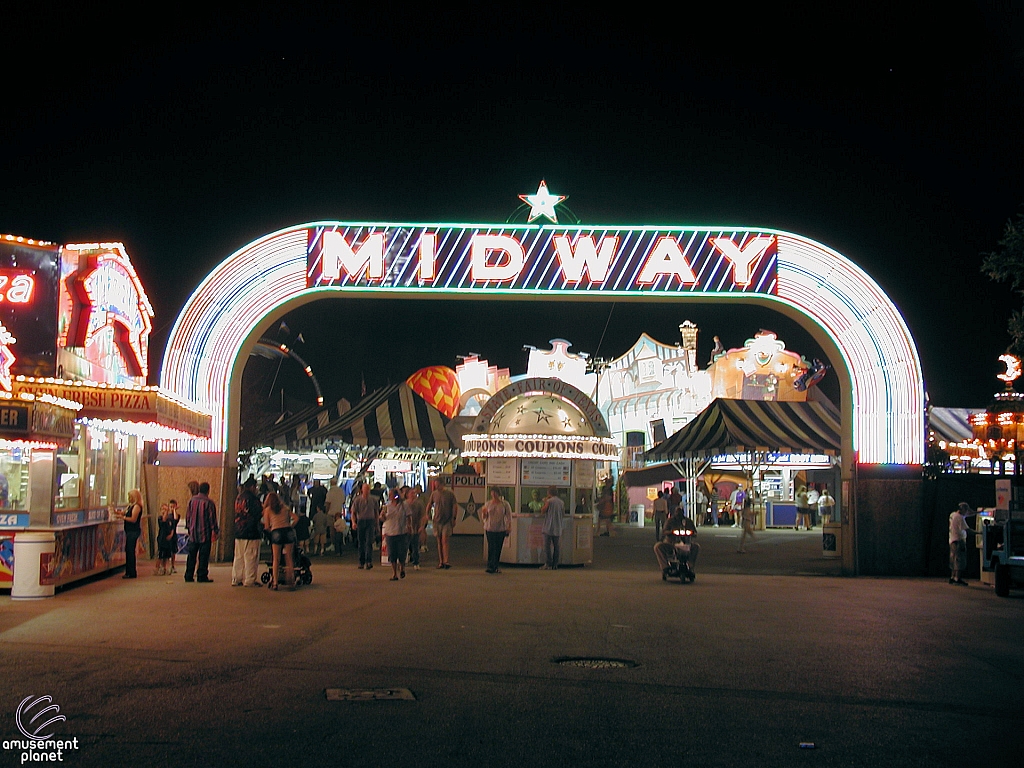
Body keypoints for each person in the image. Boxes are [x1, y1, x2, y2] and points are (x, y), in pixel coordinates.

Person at [263, 490, 298, 590]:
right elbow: (296, 518)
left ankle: (275, 582)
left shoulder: (268, 510)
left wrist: (272, 530)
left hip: (276, 532)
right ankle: (291, 580)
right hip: (288, 532)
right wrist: (291, 526)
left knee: (276, 559)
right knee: (289, 558)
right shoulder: (285, 508)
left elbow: (266, 526)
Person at [184, 481, 219, 583]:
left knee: (191, 556)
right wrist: (215, 531)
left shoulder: (191, 501)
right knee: (203, 556)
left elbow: (188, 516)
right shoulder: (209, 502)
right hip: (205, 534)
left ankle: (188, 575)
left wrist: (189, 528)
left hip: (193, 534)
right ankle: (201, 575)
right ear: (208, 490)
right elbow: (212, 518)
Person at [231, 478, 263, 586]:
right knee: (251, 556)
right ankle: (249, 580)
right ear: (253, 487)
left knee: (238, 556)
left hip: (239, 530)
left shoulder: (239, 498)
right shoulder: (253, 499)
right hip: (251, 531)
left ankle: (236, 578)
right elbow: (258, 514)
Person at [654, 507, 700, 577]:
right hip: (672, 543)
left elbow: (695, 533)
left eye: (680, 512)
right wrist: (671, 532)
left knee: (696, 546)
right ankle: (665, 567)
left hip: (686, 544)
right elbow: (664, 531)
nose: (679, 515)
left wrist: (691, 533)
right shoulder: (670, 521)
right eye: (677, 513)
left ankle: (690, 566)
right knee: (658, 546)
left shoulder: (688, 521)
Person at [380, 488, 412, 581]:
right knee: (392, 553)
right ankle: (394, 573)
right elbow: (382, 518)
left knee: (402, 552)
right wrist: (382, 517)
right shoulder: (387, 506)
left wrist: (409, 526)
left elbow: (409, 515)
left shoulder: (403, 505)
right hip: (390, 532)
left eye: (391, 494)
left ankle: (402, 567)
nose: (390, 496)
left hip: (401, 532)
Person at [426, 477, 457, 569]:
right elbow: (429, 503)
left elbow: (454, 506)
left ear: (442, 484)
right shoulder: (434, 494)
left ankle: (446, 561)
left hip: (447, 520)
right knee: (439, 541)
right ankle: (441, 561)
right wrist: (427, 514)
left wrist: (454, 518)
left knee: (445, 540)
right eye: (435, 484)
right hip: (437, 520)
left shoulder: (449, 493)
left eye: (437, 484)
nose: (436, 486)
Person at [481, 488, 512, 574]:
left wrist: (509, 527)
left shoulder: (505, 504)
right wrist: (484, 513)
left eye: (495, 492)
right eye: (492, 492)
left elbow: (509, 516)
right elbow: (484, 517)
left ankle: (495, 565)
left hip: (501, 528)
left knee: (498, 548)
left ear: (499, 493)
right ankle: (490, 565)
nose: (494, 494)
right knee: (491, 547)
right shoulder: (488, 504)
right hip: (490, 528)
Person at [350, 482, 380, 569]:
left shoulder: (373, 500)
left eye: (368, 489)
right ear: (362, 490)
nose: (366, 491)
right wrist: (353, 522)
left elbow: (376, 513)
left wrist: (376, 524)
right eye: (365, 489)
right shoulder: (357, 500)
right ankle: (361, 561)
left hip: (370, 521)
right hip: (361, 521)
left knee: (369, 542)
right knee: (361, 542)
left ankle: (369, 561)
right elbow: (353, 512)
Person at [949, 502, 975, 585]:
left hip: (952, 540)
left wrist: (977, 512)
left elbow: (968, 514)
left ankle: (953, 577)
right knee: (959, 560)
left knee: (954, 559)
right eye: (966, 509)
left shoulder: (953, 515)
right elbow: (967, 529)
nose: (967, 511)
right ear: (963, 509)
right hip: (959, 541)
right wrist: (979, 532)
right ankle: (958, 578)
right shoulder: (960, 518)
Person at [120, 488, 144, 579]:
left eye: (130, 496)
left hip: (133, 531)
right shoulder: (130, 506)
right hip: (129, 530)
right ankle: (129, 571)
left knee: (130, 550)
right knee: (128, 550)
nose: (128, 498)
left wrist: (123, 518)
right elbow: (124, 512)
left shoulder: (137, 506)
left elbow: (133, 519)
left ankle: (131, 572)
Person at [540, 486, 565, 570]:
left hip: (548, 527)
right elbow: (563, 513)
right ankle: (555, 564)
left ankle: (548, 563)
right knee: (556, 547)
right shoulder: (561, 502)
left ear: (549, 492)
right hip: (558, 527)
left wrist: (544, 502)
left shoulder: (549, 501)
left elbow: (543, 510)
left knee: (547, 546)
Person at [406, 485, 427, 569]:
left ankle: (416, 562)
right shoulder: (404, 504)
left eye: (414, 493)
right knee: (405, 546)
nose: (413, 494)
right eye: (411, 493)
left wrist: (422, 526)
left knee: (415, 546)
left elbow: (423, 515)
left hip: (415, 528)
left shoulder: (419, 503)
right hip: (405, 529)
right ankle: (403, 561)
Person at [325, 478, 348, 555]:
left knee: (332, 530)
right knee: (339, 530)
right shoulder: (341, 491)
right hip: (338, 513)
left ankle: (333, 544)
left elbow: (328, 503)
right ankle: (339, 545)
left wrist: (326, 512)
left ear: (331, 483)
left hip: (331, 513)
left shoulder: (330, 491)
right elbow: (344, 501)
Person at [156, 502, 177, 576]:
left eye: (166, 509)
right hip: (162, 538)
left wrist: (171, 534)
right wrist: (166, 512)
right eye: (163, 509)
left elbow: (173, 525)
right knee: (160, 554)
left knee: (166, 555)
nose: (165, 511)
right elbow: (164, 520)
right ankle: (158, 568)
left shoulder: (170, 519)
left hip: (168, 539)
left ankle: (165, 567)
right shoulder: (160, 518)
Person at [166, 499, 180, 573]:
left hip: (173, 535)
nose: (172, 508)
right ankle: (166, 566)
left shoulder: (176, 515)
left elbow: (175, 519)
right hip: (167, 535)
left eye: (173, 507)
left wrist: (174, 510)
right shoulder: (167, 516)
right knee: (166, 551)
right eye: (171, 507)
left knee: (173, 551)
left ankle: (172, 565)